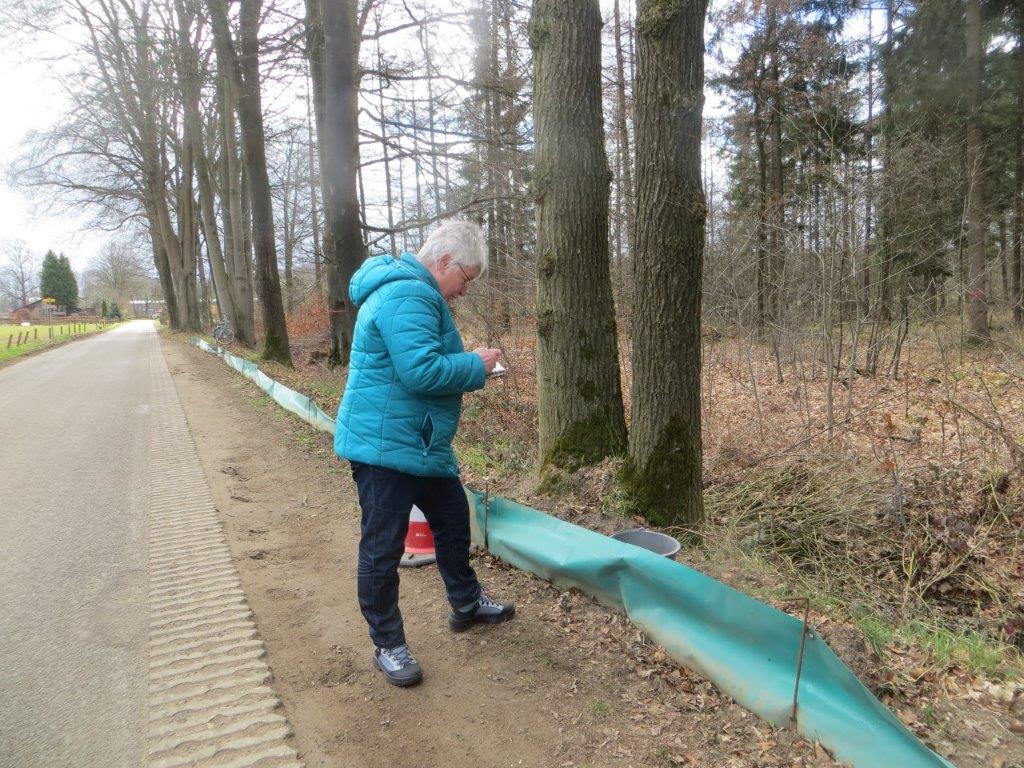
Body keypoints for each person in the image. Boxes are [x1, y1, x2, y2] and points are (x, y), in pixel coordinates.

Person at [334, 220, 515, 687]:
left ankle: (466, 603)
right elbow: (421, 372)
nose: (464, 291)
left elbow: (416, 366)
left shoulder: (413, 292)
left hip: (418, 441)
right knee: (382, 547)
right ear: (445, 263)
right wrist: (475, 364)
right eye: (466, 279)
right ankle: (388, 643)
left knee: (453, 521)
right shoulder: (408, 295)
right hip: (386, 447)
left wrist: (468, 362)